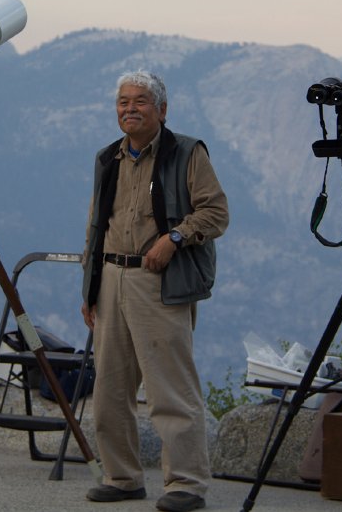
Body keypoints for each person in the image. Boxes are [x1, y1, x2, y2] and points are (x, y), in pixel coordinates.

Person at [81, 71, 229, 512]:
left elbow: (216, 212)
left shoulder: (186, 152)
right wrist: (89, 288)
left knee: (170, 389)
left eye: (140, 101)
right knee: (109, 390)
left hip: (159, 282)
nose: (130, 108)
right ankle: (122, 477)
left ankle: (185, 484)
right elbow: (95, 226)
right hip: (110, 278)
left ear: (162, 109)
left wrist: (175, 239)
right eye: (123, 101)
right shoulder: (107, 158)